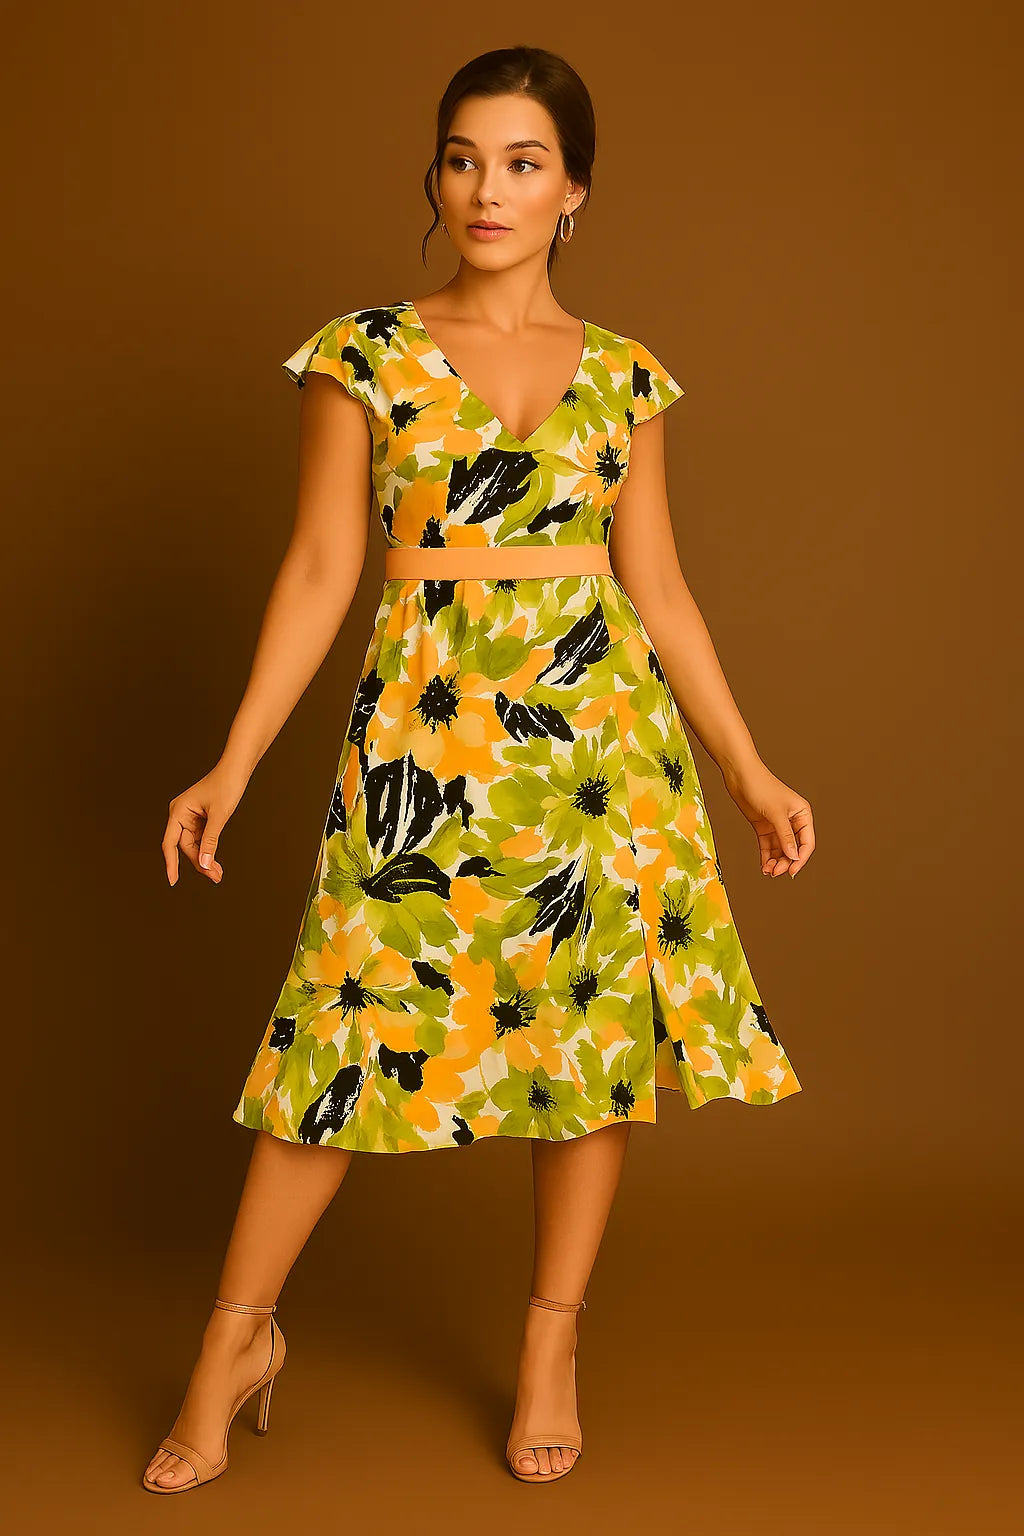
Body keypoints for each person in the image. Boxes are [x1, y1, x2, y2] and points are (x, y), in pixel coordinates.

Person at [145, 44, 812, 1495]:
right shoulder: (363, 354)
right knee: (336, 1038)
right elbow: (325, 568)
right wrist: (235, 761)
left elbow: (665, 592)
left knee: (589, 1060)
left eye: (522, 162)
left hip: (603, 759)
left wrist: (748, 768)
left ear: (575, 189)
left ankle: (551, 1343)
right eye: (462, 157)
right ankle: (233, 1342)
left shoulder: (629, 376)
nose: (487, 189)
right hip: (420, 759)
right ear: (435, 175)